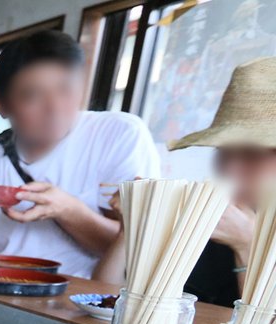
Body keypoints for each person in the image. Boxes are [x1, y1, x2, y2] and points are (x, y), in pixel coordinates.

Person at [0, 30, 160, 278]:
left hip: (80, 303)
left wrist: (66, 210)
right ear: (1, 106)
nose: (54, 107)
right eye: (32, 96)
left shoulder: (119, 135)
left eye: (65, 89)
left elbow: (137, 247)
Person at [93, 57, 276, 306]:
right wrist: (132, 225)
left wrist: (248, 246)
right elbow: (107, 298)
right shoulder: (204, 219)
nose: (230, 168)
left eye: (252, 153)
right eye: (223, 151)